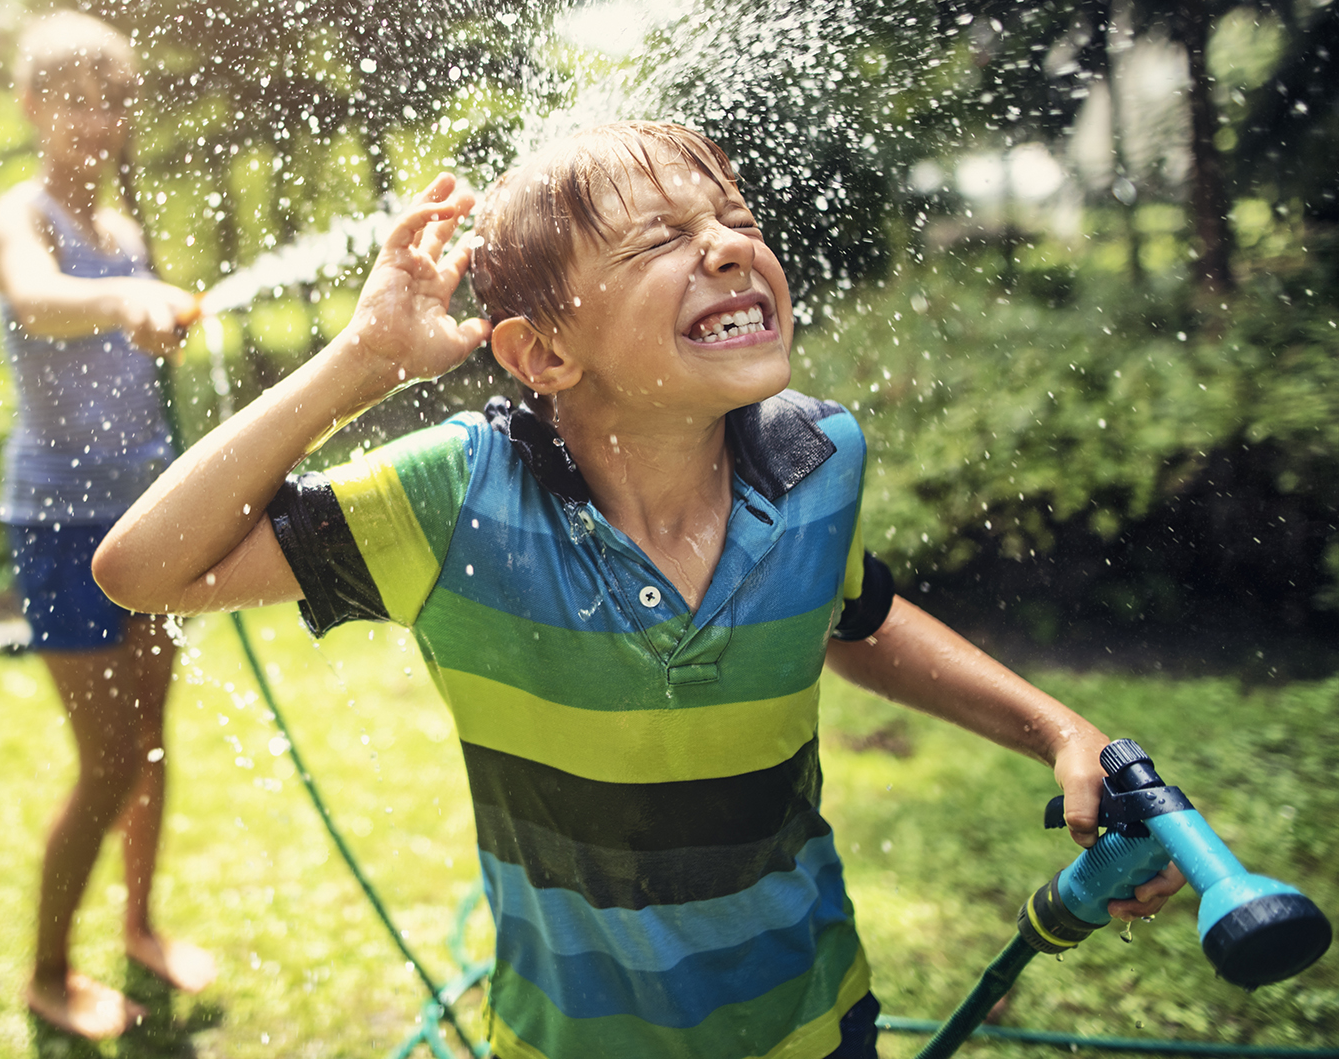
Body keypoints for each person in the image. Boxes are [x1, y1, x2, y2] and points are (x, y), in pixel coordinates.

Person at [91, 122, 1183, 1059]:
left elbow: (854, 618)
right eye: (659, 239)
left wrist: (1059, 731)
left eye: (737, 219)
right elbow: (143, 570)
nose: (729, 246)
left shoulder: (816, 459)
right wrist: (364, 360)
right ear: (543, 355)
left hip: (812, 1018)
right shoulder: (456, 500)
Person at [0, 10, 213, 1039]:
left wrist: (159, 322)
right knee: (108, 759)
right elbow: (37, 301)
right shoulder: (21, 216)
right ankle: (47, 971)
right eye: (73, 100)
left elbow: (133, 355)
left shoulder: (126, 237)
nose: (96, 121)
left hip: (146, 513)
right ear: (32, 106)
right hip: (59, 524)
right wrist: (127, 305)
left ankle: (140, 926)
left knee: (151, 743)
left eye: (112, 102)